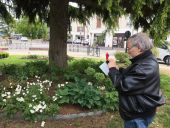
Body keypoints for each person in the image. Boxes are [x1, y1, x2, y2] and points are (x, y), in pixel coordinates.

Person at [108, 33, 165, 128]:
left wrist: (113, 69)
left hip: (137, 115)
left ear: (138, 47)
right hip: (140, 111)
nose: (128, 52)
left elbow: (122, 86)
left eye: (129, 48)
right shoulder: (145, 60)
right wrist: (119, 70)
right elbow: (133, 74)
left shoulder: (146, 65)